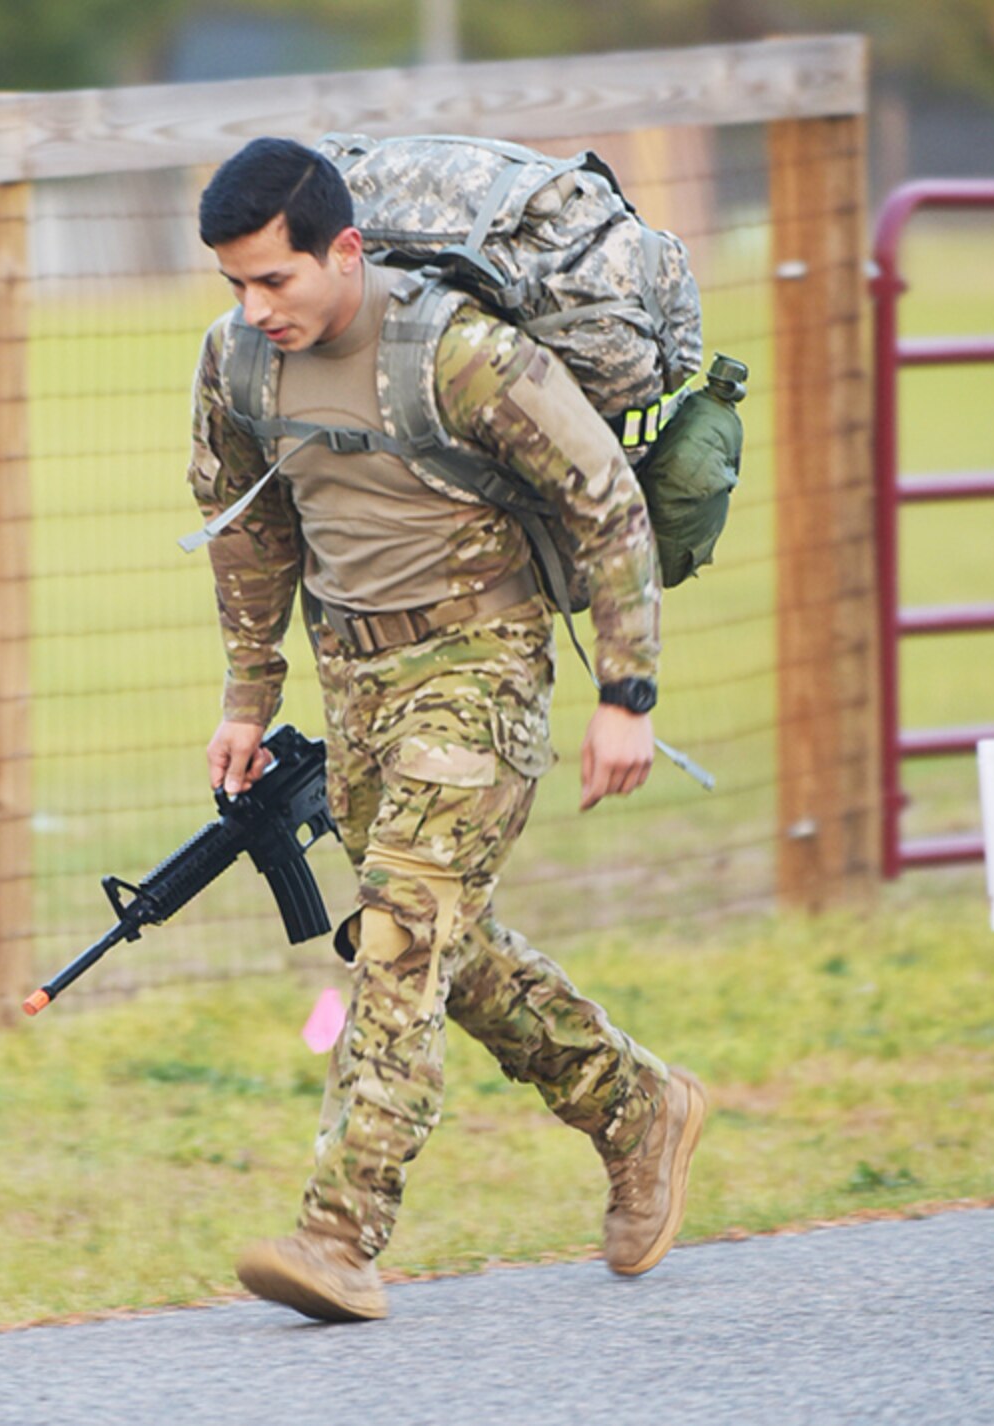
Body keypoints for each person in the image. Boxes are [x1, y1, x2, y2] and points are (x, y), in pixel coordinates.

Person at [186, 137, 707, 1323]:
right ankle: (636, 1109)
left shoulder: (461, 354)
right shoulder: (235, 367)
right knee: (430, 944)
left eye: (276, 279)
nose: (254, 307)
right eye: (234, 285)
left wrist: (626, 697)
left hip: (483, 658)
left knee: (404, 928)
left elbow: (603, 501)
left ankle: (340, 1232)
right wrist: (246, 698)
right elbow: (242, 530)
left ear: (344, 250)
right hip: (355, 682)